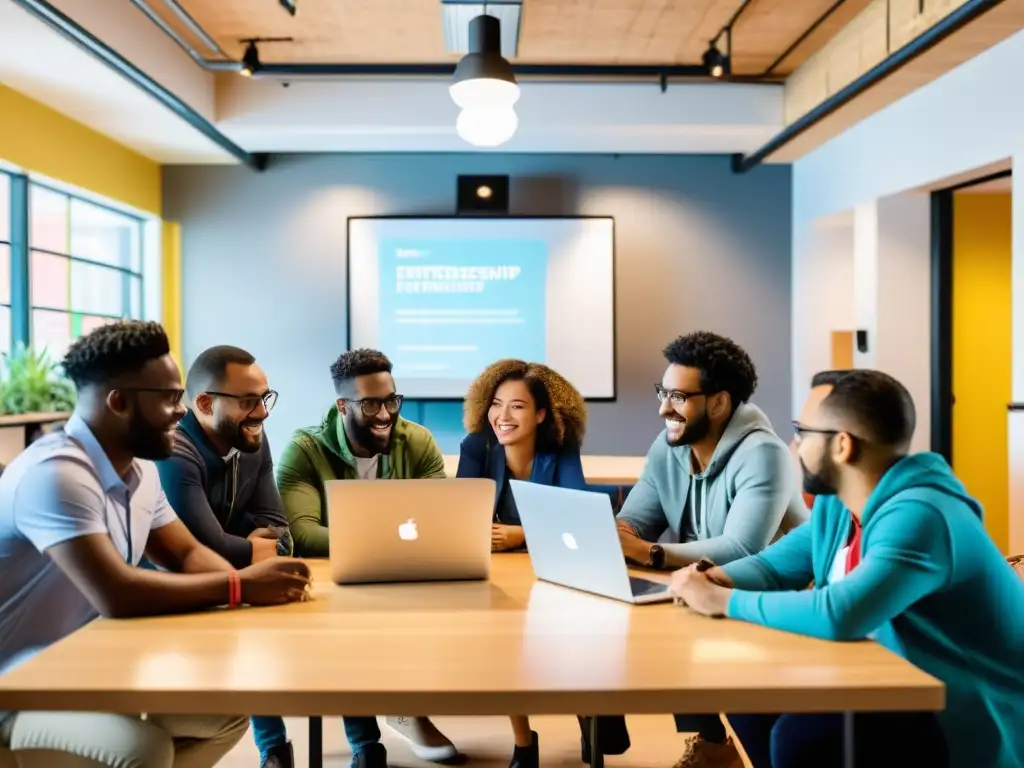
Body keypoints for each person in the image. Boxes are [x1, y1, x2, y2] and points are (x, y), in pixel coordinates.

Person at [672, 369, 1024, 768]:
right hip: (886, 680)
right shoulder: (839, 502)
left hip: (965, 715)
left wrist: (722, 599)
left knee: (803, 737)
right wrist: (717, 577)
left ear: (842, 445)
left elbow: (840, 614)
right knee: (743, 688)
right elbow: (777, 565)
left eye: (802, 432)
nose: (794, 445)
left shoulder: (923, 513)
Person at [0, 321, 312, 768]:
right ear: (120, 402)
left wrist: (252, 596)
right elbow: (116, 593)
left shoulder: (139, 471)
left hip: (88, 669)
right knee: (142, 751)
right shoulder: (56, 474)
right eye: (169, 398)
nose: (183, 411)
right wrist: (241, 588)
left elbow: (185, 554)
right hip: (19, 685)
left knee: (222, 718)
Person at [616, 331, 807, 768]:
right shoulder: (669, 446)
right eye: (662, 392)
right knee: (656, 619)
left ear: (719, 403)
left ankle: (737, 750)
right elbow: (637, 519)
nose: (664, 407)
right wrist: (619, 531)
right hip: (707, 587)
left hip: (770, 594)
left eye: (679, 396)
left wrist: (651, 553)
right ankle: (713, 743)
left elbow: (743, 545)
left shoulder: (764, 453)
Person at [276, 348, 456, 767]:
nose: (384, 414)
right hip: (337, 582)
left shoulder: (418, 440)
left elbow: (443, 520)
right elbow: (303, 536)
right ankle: (372, 733)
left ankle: (406, 707)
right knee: (352, 621)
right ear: (343, 405)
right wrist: (393, 540)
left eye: (391, 400)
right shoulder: (304, 449)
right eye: (370, 403)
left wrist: (385, 544)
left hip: (404, 575)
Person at [456, 359, 630, 768]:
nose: (503, 416)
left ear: (540, 414)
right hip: (498, 574)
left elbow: (575, 513)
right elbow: (462, 512)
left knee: (577, 629)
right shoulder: (475, 445)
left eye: (517, 406)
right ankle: (523, 742)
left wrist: (521, 534)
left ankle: (590, 716)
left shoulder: (561, 448)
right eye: (497, 404)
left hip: (554, 568)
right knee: (501, 642)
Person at [155, 345, 295, 768]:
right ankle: (275, 748)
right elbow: (200, 546)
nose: (263, 413)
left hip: (228, 584)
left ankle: (276, 750)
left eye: (265, 398)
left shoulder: (252, 436)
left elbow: (282, 532)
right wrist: (250, 546)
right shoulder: (175, 452)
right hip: (173, 598)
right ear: (203, 403)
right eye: (249, 401)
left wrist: (240, 545)